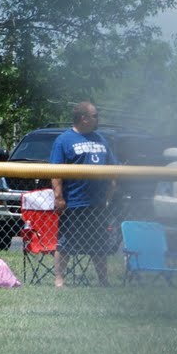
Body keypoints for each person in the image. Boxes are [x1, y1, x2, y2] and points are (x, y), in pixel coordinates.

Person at [49, 101, 118, 288]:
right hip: (74, 202)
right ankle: (59, 280)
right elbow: (55, 172)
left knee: (99, 244)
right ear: (83, 118)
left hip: (97, 203)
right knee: (65, 244)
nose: (98, 119)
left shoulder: (101, 139)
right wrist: (59, 197)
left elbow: (113, 168)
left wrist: (109, 195)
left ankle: (103, 280)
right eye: (95, 116)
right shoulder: (64, 140)